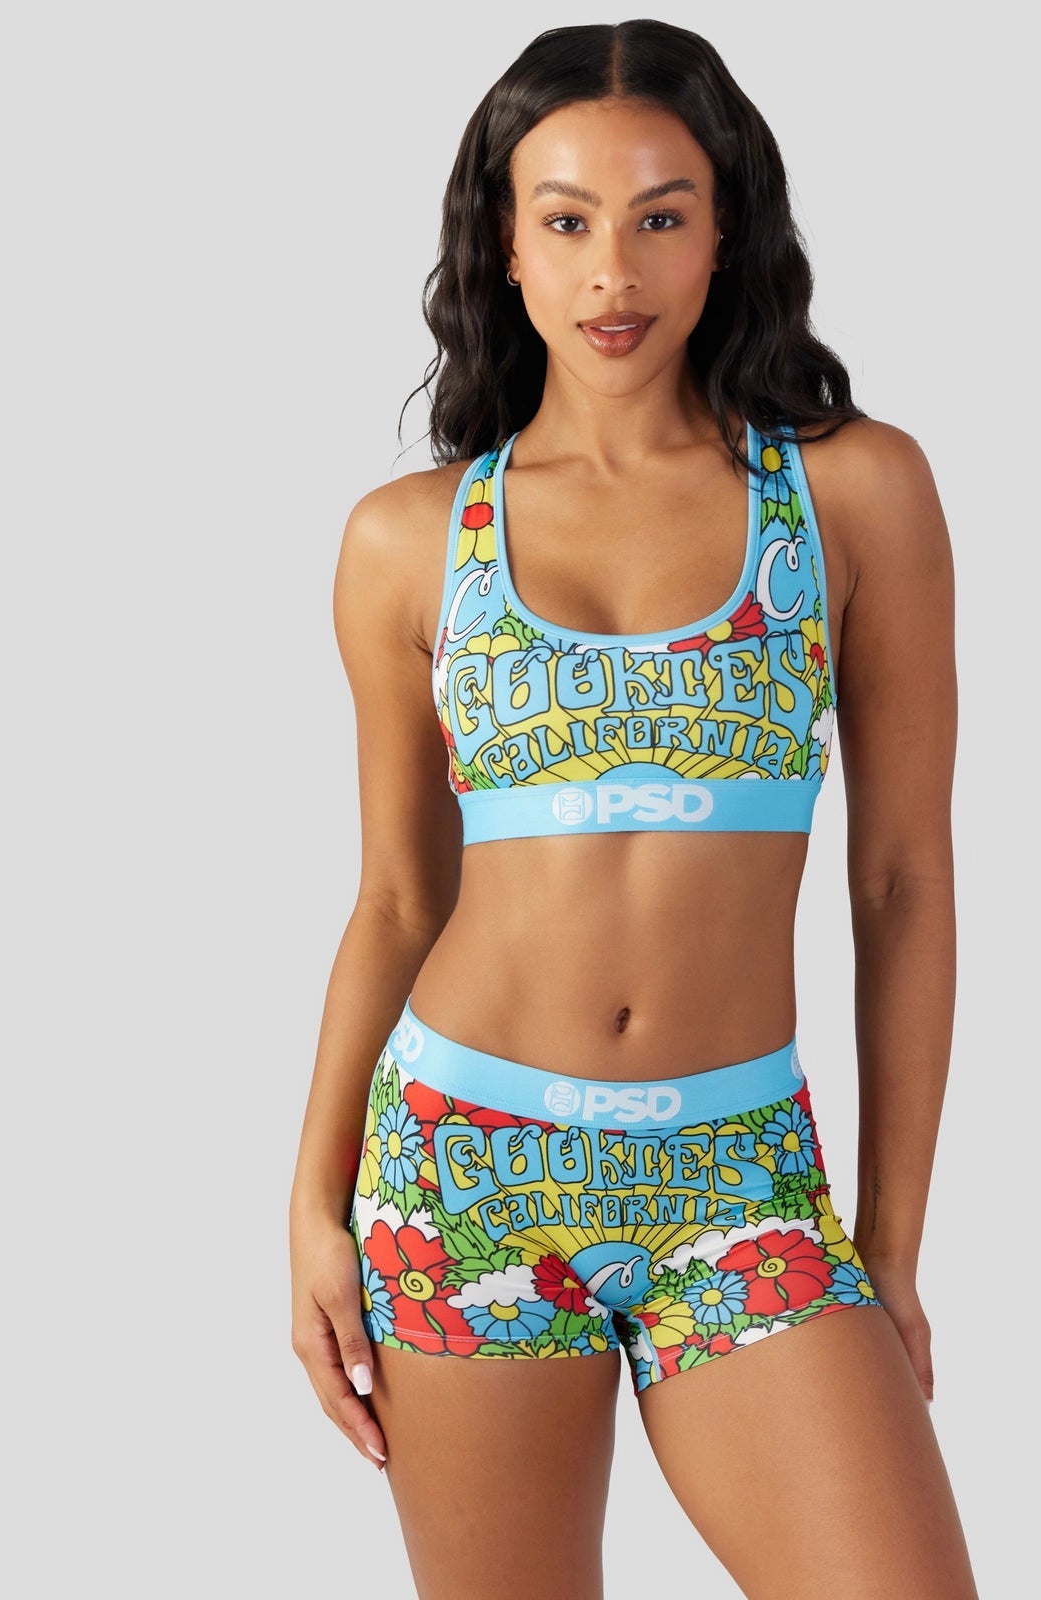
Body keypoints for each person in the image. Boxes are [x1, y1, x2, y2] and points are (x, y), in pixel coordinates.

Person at [290, 19, 977, 1599]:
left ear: (728, 231)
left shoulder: (851, 493)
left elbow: (903, 883)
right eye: (568, 220)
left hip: (741, 1185)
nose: (615, 271)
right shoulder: (411, 539)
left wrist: (889, 1242)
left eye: (662, 215)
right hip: (463, 1174)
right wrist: (312, 1209)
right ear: (505, 243)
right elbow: (398, 897)